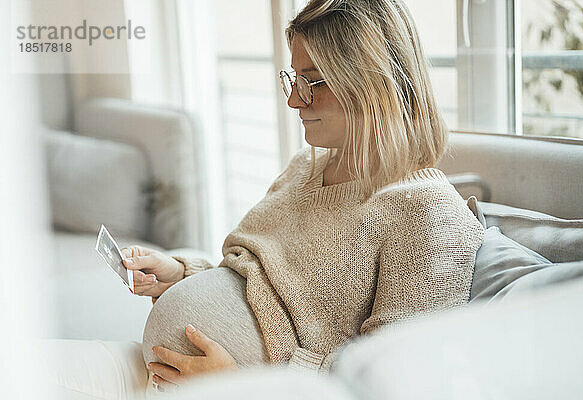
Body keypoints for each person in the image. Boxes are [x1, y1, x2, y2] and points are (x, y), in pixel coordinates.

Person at [125, 0, 485, 393]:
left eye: (312, 82)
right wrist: (181, 275)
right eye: (293, 79)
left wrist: (249, 385)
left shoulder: (427, 213)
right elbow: (259, 283)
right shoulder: (303, 169)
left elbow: (393, 378)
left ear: (372, 81)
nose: (295, 100)